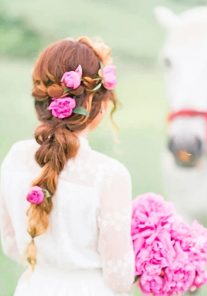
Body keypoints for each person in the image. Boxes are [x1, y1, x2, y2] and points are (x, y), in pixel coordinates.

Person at [0, 36, 135, 296]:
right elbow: (119, 278)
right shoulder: (109, 175)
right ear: (96, 105)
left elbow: (11, 245)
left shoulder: (15, 157)